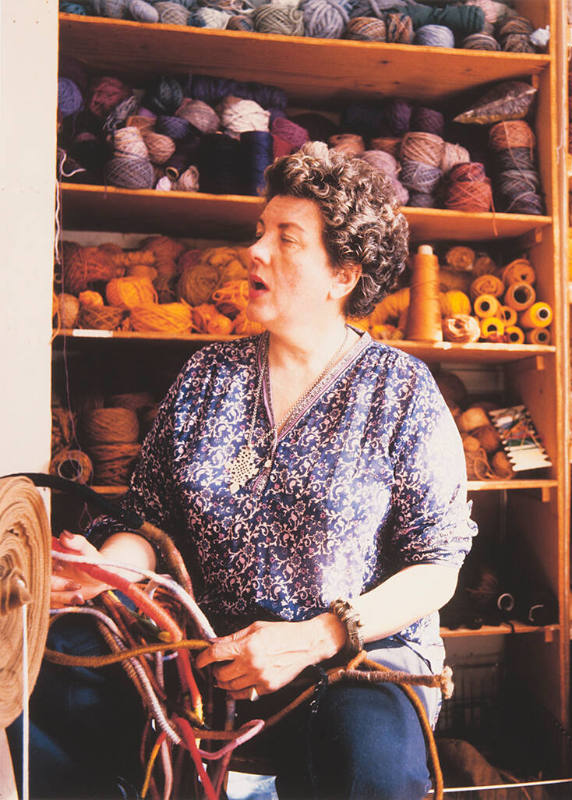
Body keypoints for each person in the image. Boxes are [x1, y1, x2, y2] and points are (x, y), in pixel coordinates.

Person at [14, 141, 477, 799]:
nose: (254, 251)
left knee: (367, 762)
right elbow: (149, 519)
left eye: (286, 239)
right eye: (260, 232)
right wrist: (108, 572)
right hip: (211, 652)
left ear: (342, 274)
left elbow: (437, 566)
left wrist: (317, 639)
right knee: (47, 673)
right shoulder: (209, 376)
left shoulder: (399, 393)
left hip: (349, 659)